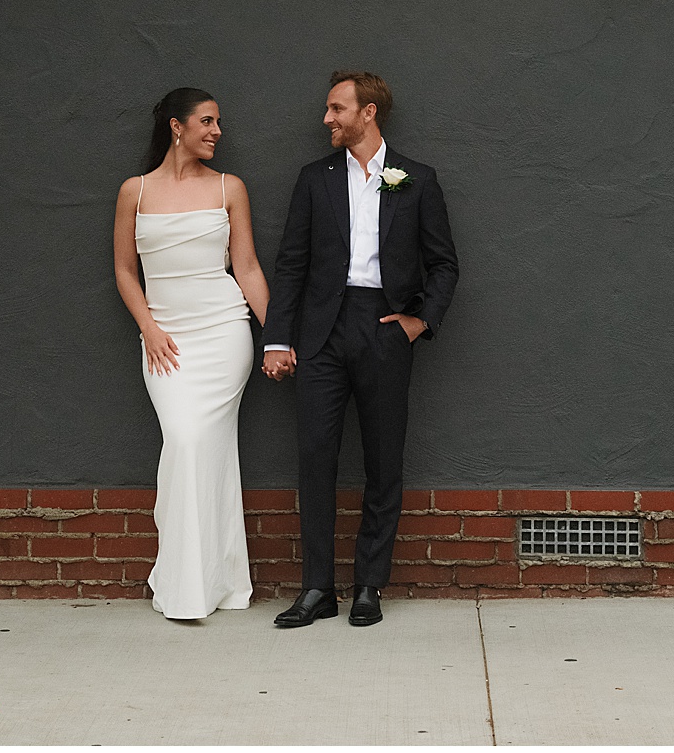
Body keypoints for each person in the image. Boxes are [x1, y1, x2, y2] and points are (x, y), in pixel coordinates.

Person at [261, 71, 459, 628]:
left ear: (368, 113)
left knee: (382, 461)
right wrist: (278, 339)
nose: (327, 119)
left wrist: (419, 322)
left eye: (336, 109)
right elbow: (291, 263)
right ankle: (317, 589)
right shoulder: (314, 178)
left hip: (386, 329)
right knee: (315, 459)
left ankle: (369, 585)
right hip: (321, 334)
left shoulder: (415, 179)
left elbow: (444, 264)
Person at [113, 87, 271, 619]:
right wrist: (150, 329)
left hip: (224, 332)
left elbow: (245, 269)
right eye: (207, 121)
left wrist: (277, 336)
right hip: (167, 341)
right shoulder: (134, 192)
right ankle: (191, 581)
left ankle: (214, 584)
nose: (217, 131)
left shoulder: (230, 188)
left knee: (207, 444)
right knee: (184, 441)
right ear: (177, 127)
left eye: (219, 122)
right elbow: (124, 271)